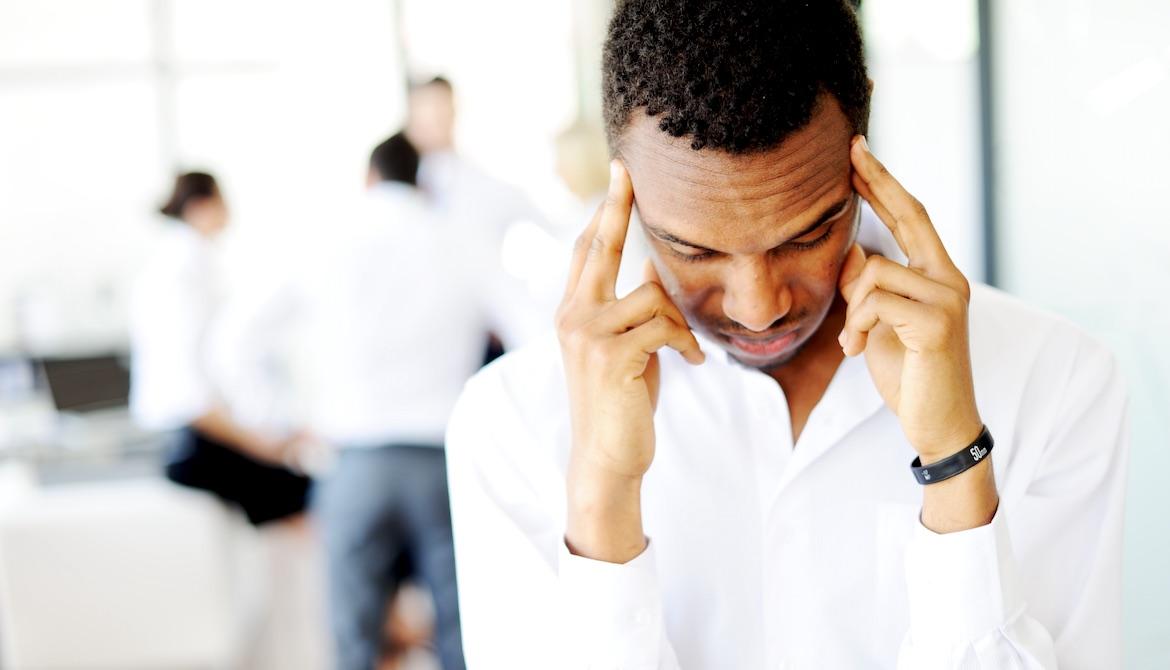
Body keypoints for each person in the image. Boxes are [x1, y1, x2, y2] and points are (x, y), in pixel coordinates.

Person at [444, 2, 1128, 669]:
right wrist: (602, 495)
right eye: (693, 250)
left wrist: (956, 464)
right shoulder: (512, 423)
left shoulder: (1055, 379)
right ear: (621, 179)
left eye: (807, 235)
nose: (760, 308)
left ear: (865, 140)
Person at [210, 133, 543, 670]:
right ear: (423, 182)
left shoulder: (324, 240)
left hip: (352, 463)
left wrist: (280, 422)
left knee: (354, 644)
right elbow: (539, 336)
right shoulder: (461, 240)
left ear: (369, 179)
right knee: (468, 637)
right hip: (445, 464)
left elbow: (232, 341)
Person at [129, 172, 310, 526]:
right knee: (304, 493)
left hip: (198, 429)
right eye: (223, 203)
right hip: (191, 441)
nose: (229, 214)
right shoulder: (179, 272)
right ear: (200, 207)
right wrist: (259, 443)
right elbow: (188, 394)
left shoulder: (187, 264)